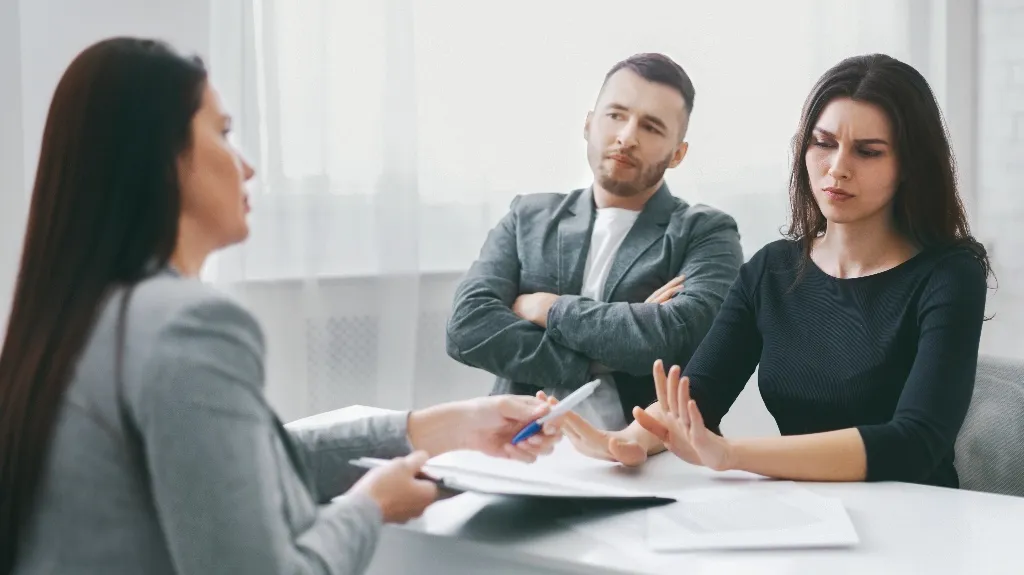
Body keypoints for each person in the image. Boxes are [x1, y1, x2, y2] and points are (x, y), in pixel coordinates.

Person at [0, 37, 565, 575]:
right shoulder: (188, 326)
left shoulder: (75, 318)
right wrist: (370, 507)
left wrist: (444, 427)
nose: (246, 166)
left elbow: (243, 467)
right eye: (223, 133)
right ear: (162, 157)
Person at [559, 53, 991, 489]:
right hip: (804, 518)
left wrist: (731, 455)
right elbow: (697, 396)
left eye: (867, 151)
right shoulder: (773, 269)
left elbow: (913, 444)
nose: (837, 168)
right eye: (823, 143)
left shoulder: (950, 274)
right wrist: (627, 441)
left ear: (909, 168)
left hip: (921, 522)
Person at [445, 53, 744, 431]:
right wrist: (603, 355)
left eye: (651, 127)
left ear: (677, 154)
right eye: (616, 115)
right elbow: (467, 327)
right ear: (589, 124)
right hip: (522, 444)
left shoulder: (706, 231)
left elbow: (678, 337)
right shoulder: (528, 217)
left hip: (652, 454)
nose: (627, 136)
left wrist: (547, 309)